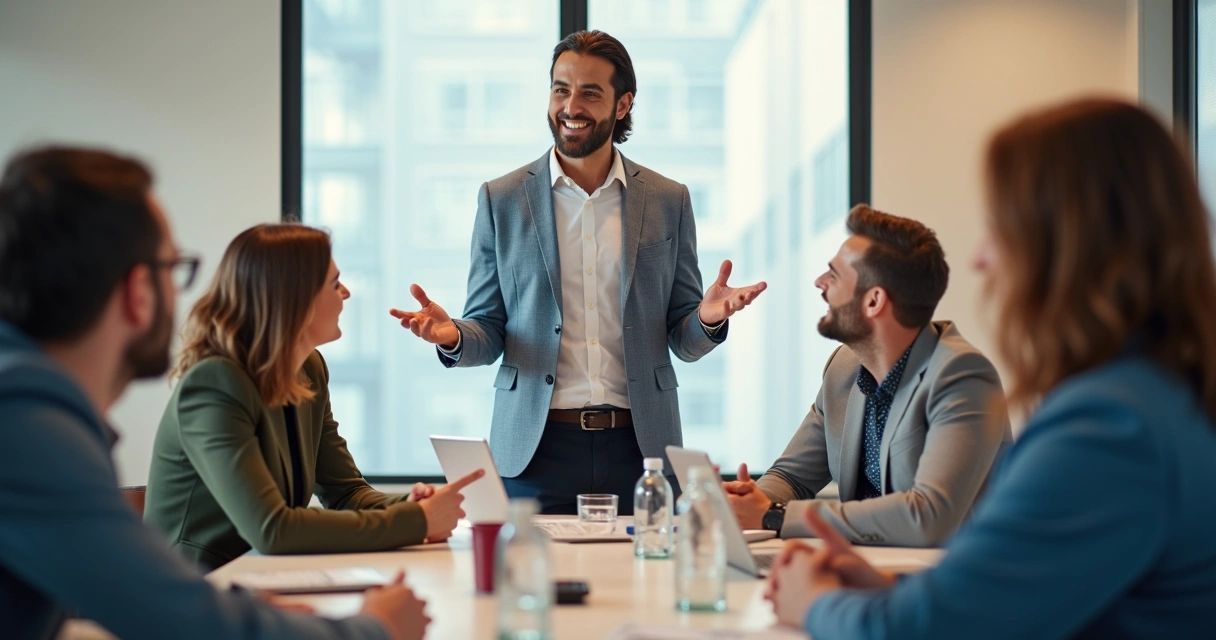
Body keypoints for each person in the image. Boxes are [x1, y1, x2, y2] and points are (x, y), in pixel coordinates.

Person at [767, 99, 1216, 638]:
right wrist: (888, 589)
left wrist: (815, 604)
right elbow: (1022, 594)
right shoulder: (1161, 394)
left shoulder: (1109, 426)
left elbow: (932, 627)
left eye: (1001, 229)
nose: (981, 259)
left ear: (1065, 246)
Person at [0, 146, 430, 639]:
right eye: (174, 267)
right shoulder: (25, 424)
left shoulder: (27, 406)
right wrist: (369, 629)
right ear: (140, 290)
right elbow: (166, 611)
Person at [389, 30, 766, 514]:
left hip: (642, 450)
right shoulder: (500, 199)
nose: (571, 105)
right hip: (535, 450)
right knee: (529, 587)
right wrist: (452, 336)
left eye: (590, 92)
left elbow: (683, 341)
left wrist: (708, 319)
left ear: (623, 104)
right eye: (560, 89)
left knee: (646, 586)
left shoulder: (669, 200)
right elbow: (487, 330)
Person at [144, 224, 482, 571]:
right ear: (294, 297)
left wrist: (412, 506)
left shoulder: (309, 368)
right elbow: (272, 529)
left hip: (260, 578)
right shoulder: (215, 383)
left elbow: (346, 493)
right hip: (193, 589)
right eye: (335, 283)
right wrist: (417, 521)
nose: (347, 293)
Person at [724, 205, 1010, 547]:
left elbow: (928, 517)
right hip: (868, 572)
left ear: (874, 301)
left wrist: (774, 516)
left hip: (953, 584)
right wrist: (742, 503)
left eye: (834, 275)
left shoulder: (962, 377)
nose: (820, 283)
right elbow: (791, 477)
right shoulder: (844, 367)